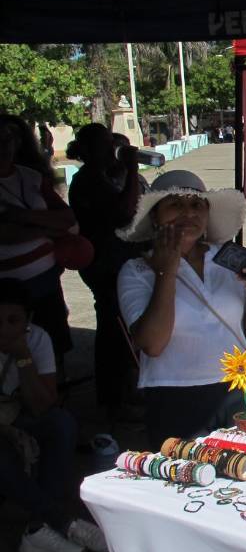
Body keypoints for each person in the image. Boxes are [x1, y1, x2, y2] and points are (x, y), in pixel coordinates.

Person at [117, 171, 246, 446]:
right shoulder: (138, 271)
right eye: (175, 204)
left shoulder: (226, 259)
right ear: (155, 216)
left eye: (196, 204)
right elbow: (152, 344)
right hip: (175, 396)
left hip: (239, 387)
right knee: (188, 480)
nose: (188, 213)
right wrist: (167, 269)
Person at [0, 279, 108, 552]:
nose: (4, 328)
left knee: (61, 423)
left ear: (28, 320)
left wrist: (22, 355)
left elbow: (43, 405)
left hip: (18, 415)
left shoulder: (36, 339)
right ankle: (61, 522)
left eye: (13, 320)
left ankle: (39, 528)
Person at [66, 124, 143, 419]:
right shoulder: (88, 181)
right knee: (114, 330)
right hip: (105, 264)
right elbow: (124, 212)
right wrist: (131, 170)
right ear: (88, 149)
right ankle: (114, 396)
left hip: (113, 260)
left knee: (118, 327)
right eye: (104, 144)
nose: (110, 149)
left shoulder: (100, 177)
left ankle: (119, 391)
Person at [0, 115, 75, 361]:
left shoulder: (30, 177)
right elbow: (5, 235)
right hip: (7, 288)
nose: (4, 146)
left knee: (54, 344)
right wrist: (46, 227)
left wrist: (22, 216)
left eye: (8, 140)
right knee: (15, 347)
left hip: (46, 280)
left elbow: (66, 219)